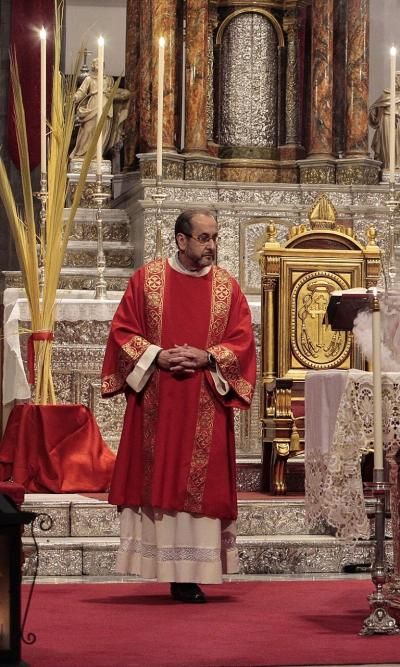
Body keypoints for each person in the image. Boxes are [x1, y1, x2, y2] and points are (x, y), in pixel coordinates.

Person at [101, 209, 256, 603]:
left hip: (205, 398)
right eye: (204, 238)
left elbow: (242, 341)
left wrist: (207, 357)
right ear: (181, 240)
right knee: (160, 477)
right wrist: (156, 356)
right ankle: (160, 566)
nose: (212, 246)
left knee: (199, 486)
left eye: (215, 238)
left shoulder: (227, 288)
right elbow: (122, 331)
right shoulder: (147, 280)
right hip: (159, 399)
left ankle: (192, 572)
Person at [70, 59, 132, 160]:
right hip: (93, 105)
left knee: (102, 131)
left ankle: (96, 156)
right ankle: (81, 154)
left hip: (105, 106)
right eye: (96, 63)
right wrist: (74, 98)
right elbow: (81, 92)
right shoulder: (89, 79)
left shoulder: (108, 79)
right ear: (93, 65)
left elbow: (113, 91)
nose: (99, 64)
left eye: (101, 63)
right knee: (88, 129)